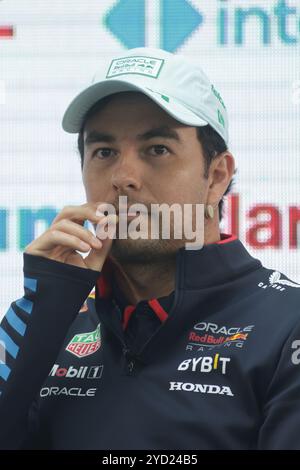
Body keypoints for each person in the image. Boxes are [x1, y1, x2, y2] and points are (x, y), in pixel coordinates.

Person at [1, 46, 300, 450]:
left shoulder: (287, 327)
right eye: (104, 152)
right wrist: (42, 315)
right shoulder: (51, 324)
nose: (123, 177)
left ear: (215, 177)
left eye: (157, 149)